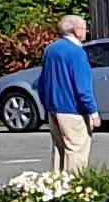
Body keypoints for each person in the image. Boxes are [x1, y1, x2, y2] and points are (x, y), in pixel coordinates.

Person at [36, 11, 99, 174]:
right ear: (76, 30)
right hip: (73, 109)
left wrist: (46, 104)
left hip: (54, 108)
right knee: (76, 150)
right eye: (84, 28)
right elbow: (83, 87)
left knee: (59, 149)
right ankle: (74, 188)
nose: (86, 32)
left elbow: (42, 82)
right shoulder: (77, 52)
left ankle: (56, 186)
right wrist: (93, 112)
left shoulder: (50, 49)